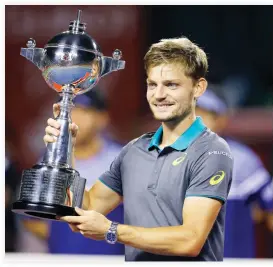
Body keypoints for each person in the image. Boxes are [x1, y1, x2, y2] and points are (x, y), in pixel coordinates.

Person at [44, 37, 234, 261]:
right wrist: (65, 151)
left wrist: (112, 230)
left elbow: (190, 240)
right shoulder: (134, 150)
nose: (159, 94)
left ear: (198, 87)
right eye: (152, 84)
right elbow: (89, 206)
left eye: (171, 84)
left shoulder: (212, 151)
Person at [22, 89, 125, 255]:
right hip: (64, 259)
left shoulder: (122, 159)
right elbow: (31, 219)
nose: (75, 119)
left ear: (102, 118)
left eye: (84, 111)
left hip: (112, 259)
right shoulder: (49, 160)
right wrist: (63, 236)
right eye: (70, 112)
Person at [196, 89, 273, 258]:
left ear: (221, 119)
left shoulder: (242, 160)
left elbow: (270, 207)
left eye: (204, 115)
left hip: (233, 257)